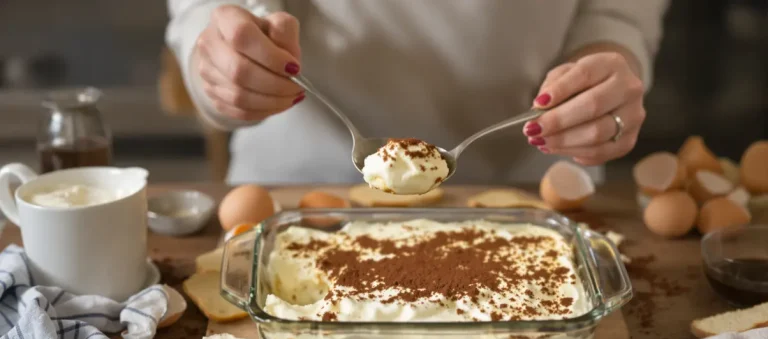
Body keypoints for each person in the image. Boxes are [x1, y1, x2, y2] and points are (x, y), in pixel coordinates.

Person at [166, 0, 669, 185]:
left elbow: (618, 13)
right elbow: (207, 12)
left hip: (528, 190)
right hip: (298, 189)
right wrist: (220, 63)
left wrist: (605, 74)